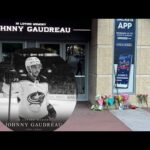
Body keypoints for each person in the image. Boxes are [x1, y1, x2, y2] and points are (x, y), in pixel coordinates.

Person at [2, 56, 56, 122]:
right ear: (28, 68)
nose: (37, 69)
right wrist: (6, 81)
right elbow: (7, 91)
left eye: (39, 66)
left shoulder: (44, 80)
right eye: (34, 67)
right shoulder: (21, 81)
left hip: (44, 118)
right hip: (26, 119)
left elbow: (45, 97)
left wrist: (49, 107)